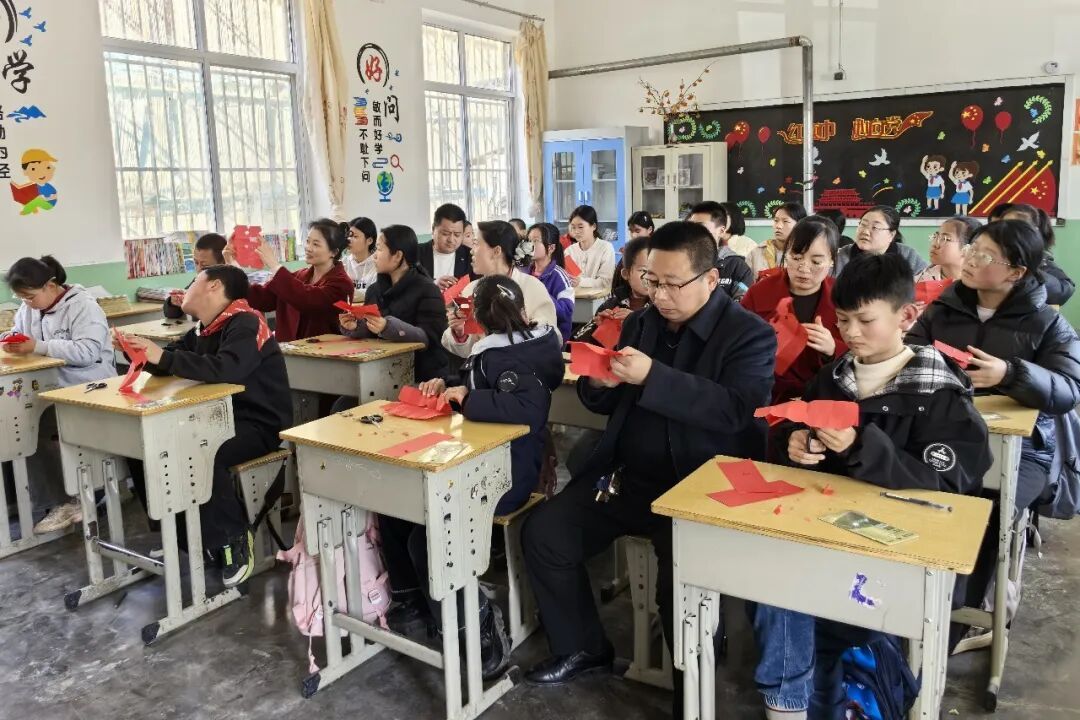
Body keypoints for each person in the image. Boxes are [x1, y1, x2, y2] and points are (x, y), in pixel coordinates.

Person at [520, 222, 776, 709]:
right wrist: (601, 382)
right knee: (546, 533)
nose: (659, 295)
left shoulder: (749, 334)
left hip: (702, 490)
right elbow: (604, 402)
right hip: (630, 477)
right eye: (651, 281)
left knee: (680, 591)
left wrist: (653, 376)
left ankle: (691, 702)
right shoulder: (641, 323)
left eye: (672, 284)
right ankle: (583, 646)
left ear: (711, 279)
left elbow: (737, 411)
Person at [759, 252, 991, 719]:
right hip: (823, 536)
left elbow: (946, 486)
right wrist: (793, 443)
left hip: (897, 553)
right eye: (843, 320)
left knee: (797, 604)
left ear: (907, 316)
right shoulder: (833, 378)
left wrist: (861, 445)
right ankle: (791, 703)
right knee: (775, 584)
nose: (851, 333)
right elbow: (795, 425)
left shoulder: (939, 395)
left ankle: (802, 699)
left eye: (866, 321)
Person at [383, 274, 563, 680]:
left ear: (478, 318)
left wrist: (469, 398)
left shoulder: (503, 355)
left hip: (507, 475)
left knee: (427, 533)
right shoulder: (520, 344)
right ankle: (415, 601)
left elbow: (527, 408)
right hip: (484, 462)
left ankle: (478, 626)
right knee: (397, 505)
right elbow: (482, 384)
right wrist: (450, 385)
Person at [118, 265, 292, 587]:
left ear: (214, 286)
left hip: (256, 423)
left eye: (193, 282)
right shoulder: (203, 329)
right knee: (144, 447)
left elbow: (228, 368)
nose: (186, 289)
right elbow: (172, 361)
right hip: (212, 418)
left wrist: (163, 358)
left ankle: (232, 537)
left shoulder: (247, 322)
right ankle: (182, 534)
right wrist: (142, 353)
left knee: (202, 451)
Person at [907, 219, 1080, 514]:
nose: (971, 260)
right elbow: (910, 355)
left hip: (1023, 447)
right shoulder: (942, 310)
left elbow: (1068, 390)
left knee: (989, 516)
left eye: (985, 256)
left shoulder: (1048, 324)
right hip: (946, 430)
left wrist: (1010, 374)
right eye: (972, 249)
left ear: (1016, 272)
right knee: (923, 503)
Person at [2, 255, 116, 534]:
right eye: (21, 298)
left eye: (30, 296)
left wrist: (38, 346)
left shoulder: (83, 306)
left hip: (89, 387)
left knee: (35, 429)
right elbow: (19, 332)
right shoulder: (29, 308)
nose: (27, 303)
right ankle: (52, 500)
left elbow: (87, 352)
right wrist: (10, 339)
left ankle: (69, 500)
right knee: (16, 424)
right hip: (50, 388)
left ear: (50, 286)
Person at [741, 216, 845, 403]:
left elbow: (865, 352)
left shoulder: (845, 297)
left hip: (823, 398)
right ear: (786, 254)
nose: (804, 268)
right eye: (796, 258)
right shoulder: (759, 292)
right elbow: (736, 341)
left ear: (831, 260)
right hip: (767, 395)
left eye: (816, 262)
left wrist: (833, 349)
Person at [338, 224, 448, 383]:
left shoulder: (428, 290)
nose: (374, 256)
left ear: (397, 256)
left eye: (379, 249)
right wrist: (356, 327)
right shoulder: (374, 290)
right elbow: (372, 333)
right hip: (382, 371)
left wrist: (387, 327)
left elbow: (428, 338)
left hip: (422, 376)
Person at [442, 220, 559, 357]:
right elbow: (469, 352)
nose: (472, 251)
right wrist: (460, 333)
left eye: (476, 243)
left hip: (523, 365)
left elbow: (551, 337)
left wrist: (519, 328)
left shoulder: (532, 287)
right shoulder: (471, 289)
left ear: (496, 251)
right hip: (485, 367)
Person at [234, 219, 353, 342]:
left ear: (334, 252)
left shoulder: (341, 284)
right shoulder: (299, 276)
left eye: (316, 244)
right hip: (288, 350)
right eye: (308, 241)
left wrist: (274, 264)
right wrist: (233, 265)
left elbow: (306, 300)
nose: (308, 248)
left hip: (322, 352)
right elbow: (263, 299)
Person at [989, 202, 1074, 306]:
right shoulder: (988, 252)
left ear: (1032, 231)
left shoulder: (1039, 260)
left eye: (1016, 229)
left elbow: (1064, 290)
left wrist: (1031, 272)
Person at [573, 236, 651, 347]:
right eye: (644, 270)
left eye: (655, 271)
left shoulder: (662, 309)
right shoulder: (610, 305)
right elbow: (576, 345)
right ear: (626, 274)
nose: (649, 277)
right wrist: (597, 328)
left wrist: (636, 323)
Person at [834, 205, 929, 276]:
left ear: (891, 235)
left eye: (875, 227)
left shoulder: (908, 256)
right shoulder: (840, 257)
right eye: (863, 224)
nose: (865, 231)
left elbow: (927, 285)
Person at [687, 200, 754, 301]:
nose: (694, 231)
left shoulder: (737, 266)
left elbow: (742, 304)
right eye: (691, 226)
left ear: (721, 231)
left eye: (701, 226)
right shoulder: (681, 263)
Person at [526, 222, 574, 340]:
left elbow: (566, 313)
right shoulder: (525, 273)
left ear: (551, 248)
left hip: (552, 337)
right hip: (529, 333)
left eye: (535, 241)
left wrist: (540, 292)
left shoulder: (560, 276)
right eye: (528, 240)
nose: (529, 245)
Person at [164, 233, 226, 319]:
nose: (198, 269)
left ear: (222, 263)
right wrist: (174, 303)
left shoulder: (231, 286)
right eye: (196, 262)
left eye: (205, 266)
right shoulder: (198, 280)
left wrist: (194, 304)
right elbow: (171, 314)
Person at [418, 203, 472, 291]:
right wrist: (432, 284)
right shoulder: (416, 253)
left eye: (457, 235)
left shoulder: (470, 257)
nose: (451, 240)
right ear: (433, 230)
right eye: (445, 234)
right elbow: (405, 286)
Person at [748, 202, 806, 278]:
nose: (778, 226)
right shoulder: (757, 252)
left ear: (800, 224)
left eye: (785, 221)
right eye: (776, 220)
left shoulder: (805, 253)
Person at [914, 216, 980, 284]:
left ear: (968, 249)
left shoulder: (982, 283)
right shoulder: (919, 282)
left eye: (945, 239)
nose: (935, 244)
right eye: (935, 236)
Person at [564, 205, 616, 290]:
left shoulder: (606, 248)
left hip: (599, 297)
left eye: (580, 227)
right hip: (575, 296)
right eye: (573, 227)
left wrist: (581, 282)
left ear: (593, 226)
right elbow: (571, 279)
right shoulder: (569, 252)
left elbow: (605, 282)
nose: (576, 231)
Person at [343, 216, 379, 295]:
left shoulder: (378, 265)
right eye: (349, 235)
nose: (349, 240)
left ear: (369, 240)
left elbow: (374, 294)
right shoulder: (343, 263)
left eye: (355, 236)